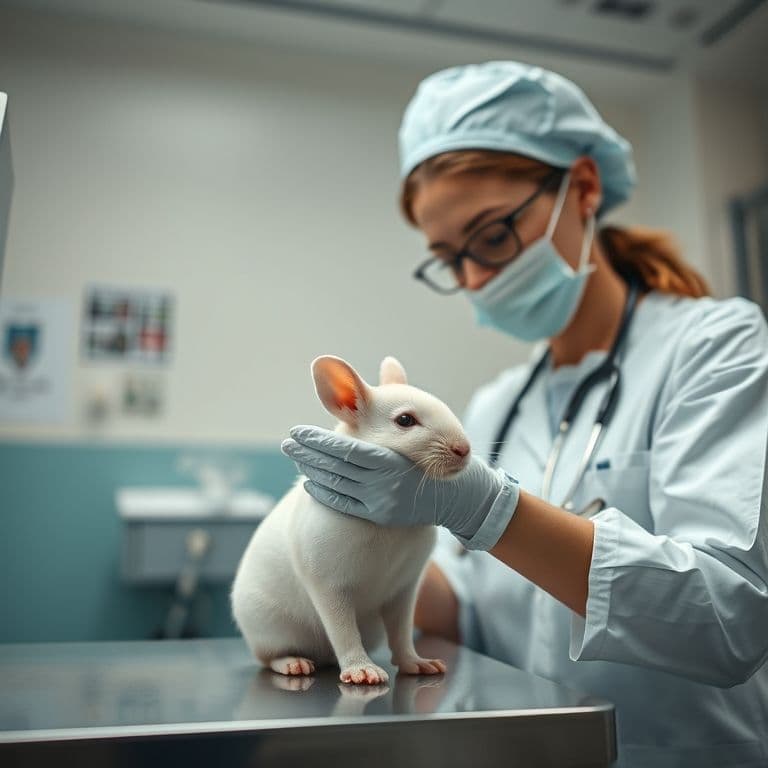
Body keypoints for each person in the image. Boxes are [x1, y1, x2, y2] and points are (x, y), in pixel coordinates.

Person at [281, 61, 768, 767]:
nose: (476, 277)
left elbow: (729, 618)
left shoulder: (715, 346)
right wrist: (339, 543)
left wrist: (489, 511)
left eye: (492, 236)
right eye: (450, 259)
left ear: (584, 189)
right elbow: (461, 608)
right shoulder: (496, 403)